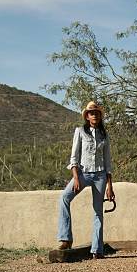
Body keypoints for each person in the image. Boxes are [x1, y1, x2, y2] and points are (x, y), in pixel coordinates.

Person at [57, 101, 115, 259]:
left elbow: (108, 162)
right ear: (87, 116)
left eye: (96, 113)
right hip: (82, 174)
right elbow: (74, 157)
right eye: (91, 113)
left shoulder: (104, 134)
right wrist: (76, 177)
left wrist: (110, 186)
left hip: (100, 176)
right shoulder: (80, 131)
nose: (94, 115)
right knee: (64, 198)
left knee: (98, 212)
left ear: (99, 116)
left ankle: (97, 250)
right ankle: (65, 239)